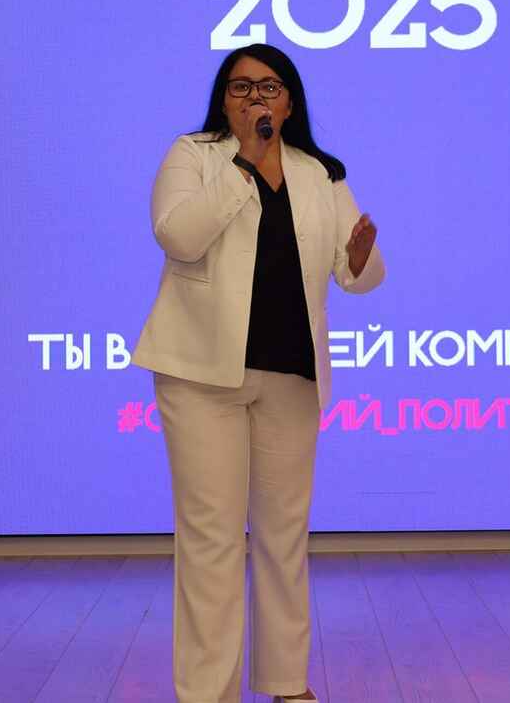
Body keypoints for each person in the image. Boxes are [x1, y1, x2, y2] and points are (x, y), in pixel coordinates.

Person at [131, 43, 385, 703]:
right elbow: (179, 236)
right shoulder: (193, 156)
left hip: (292, 377)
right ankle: (208, 693)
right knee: (212, 538)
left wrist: (361, 258)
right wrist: (243, 161)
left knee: (282, 537)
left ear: (290, 102)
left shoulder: (319, 173)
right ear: (224, 100)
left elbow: (356, 274)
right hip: (201, 375)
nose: (255, 98)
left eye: (269, 87)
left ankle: (286, 683)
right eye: (241, 87)